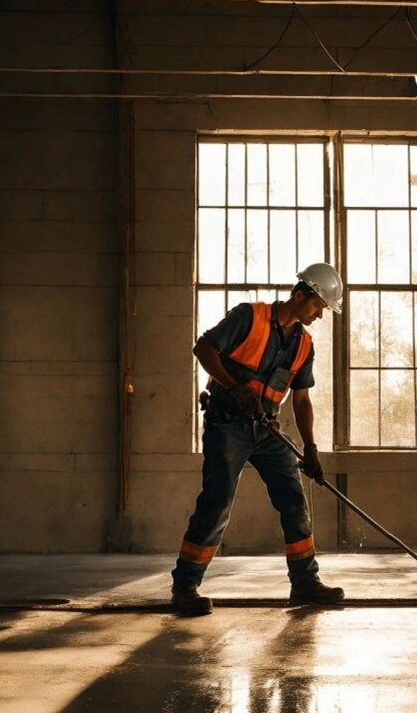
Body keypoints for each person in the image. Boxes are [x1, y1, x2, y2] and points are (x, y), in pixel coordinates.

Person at [170, 262, 346, 616]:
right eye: (317, 306)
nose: (319, 316)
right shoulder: (249, 317)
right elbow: (203, 349)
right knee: (217, 501)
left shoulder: (303, 345)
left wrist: (311, 448)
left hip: (268, 431)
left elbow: (301, 399)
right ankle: (185, 585)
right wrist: (235, 388)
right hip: (227, 423)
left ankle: (304, 582)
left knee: (294, 499)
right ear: (300, 295)